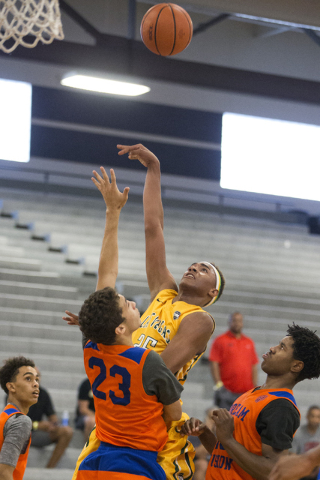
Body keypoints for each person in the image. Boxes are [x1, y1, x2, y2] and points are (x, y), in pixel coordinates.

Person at [64, 144, 226, 480]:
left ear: (212, 293)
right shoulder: (165, 292)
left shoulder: (200, 319)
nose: (195, 266)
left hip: (148, 414)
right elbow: (154, 228)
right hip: (129, 407)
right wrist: (154, 169)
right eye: (195, 263)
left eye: (206, 269)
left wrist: (105, 329)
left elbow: (162, 367)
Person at [70, 166, 183, 479]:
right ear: (120, 328)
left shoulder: (92, 346)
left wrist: (113, 212)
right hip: (134, 466)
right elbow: (174, 414)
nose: (133, 303)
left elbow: (106, 277)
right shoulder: (147, 359)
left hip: (96, 461)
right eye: (126, 305)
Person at [180, 324, 320, 480]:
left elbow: (271, 472)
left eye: (282, 348)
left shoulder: (281, 407)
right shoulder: (252, 393)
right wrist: (204, 433)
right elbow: (229, 458)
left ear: (296, 365)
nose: (272, 348)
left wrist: (227, 439)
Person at [209, 311, 259, 409]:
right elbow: (213, 363)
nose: (237, 323)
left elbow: (254, 365)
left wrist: (254, 385)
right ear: (229, 322)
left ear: (243, 323)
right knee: (225, 421)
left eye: (239, 321)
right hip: (227, 392)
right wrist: (219, 385)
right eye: (234, 321)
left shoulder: (249, 342)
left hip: (246, 393)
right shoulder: (220, 340)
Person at [0, 356, 39, 480]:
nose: (36, 384)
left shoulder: (4, 417)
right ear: (11, 387)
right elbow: (4, 473)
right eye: (28, 378)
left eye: (37, 379)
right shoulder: (21, 421)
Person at [27, 367, 73, 468]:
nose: (36, 379)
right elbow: (13, 420)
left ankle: (49, 469)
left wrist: (54, 425)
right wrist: (37, 425)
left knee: (67, 431)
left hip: (37, 434)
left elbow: (52, 416)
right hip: (22, 434)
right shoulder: (17, 393)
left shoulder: (43, 394)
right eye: (31, 376)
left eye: (37, 376)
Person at [291, 405, 320, 480]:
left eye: (318, 417)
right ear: (307, 416)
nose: (315, 419)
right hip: (301, 468)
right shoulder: (298, 434)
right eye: (312, 416)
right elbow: (292, 456)